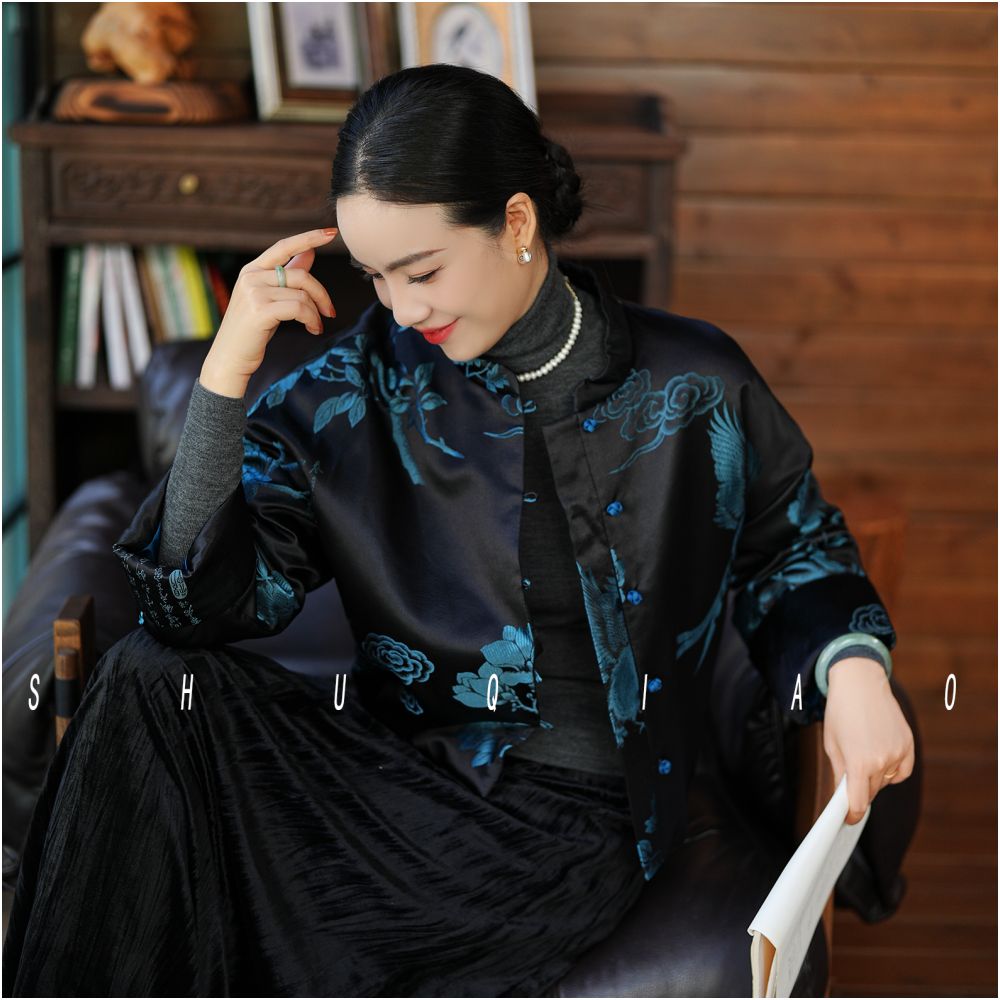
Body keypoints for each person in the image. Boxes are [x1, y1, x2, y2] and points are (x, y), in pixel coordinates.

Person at [2, 63, 915, 996]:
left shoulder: (693, 381)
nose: (403, 309)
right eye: (376, 278)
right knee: (149, 680)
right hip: (390, 777)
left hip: (575, 824)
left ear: (516, 222)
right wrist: (226, 371)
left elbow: (793, 548)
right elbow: (194, 609)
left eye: (424, 270)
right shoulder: (354, 389)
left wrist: (851, 666)